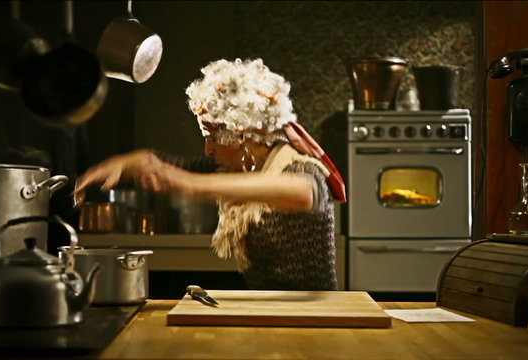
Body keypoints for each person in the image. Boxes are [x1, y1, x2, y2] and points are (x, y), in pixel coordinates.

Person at [73, 58, 345, 291]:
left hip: (316, 314)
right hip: (271, 310)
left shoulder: (297, 165)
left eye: (213, 136)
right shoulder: (241, 168)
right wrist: (123, 164)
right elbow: (161, 161)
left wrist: (189, 185)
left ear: (243, 132)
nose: (208, 149)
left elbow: (304, 191)